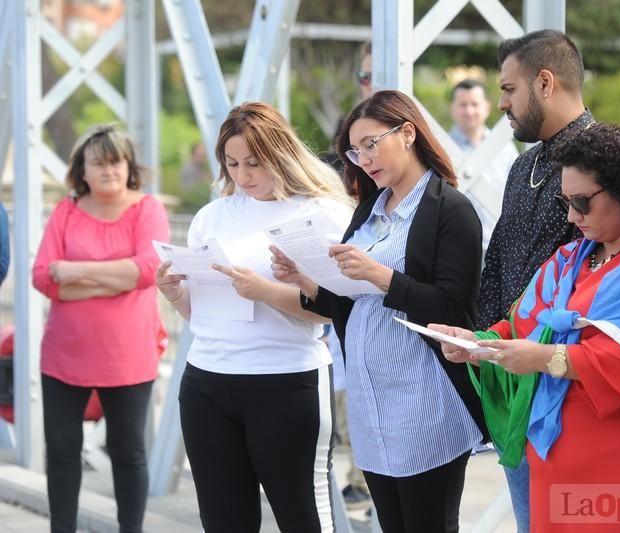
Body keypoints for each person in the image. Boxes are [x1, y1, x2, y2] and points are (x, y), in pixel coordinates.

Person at [432, 123, 620, 532]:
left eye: (582, 202)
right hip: (556, 463)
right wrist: (477, 344)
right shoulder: (567, 259)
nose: (573, 216)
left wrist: (543, 358)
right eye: (565, 202)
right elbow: (520, 329)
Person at [271, 89, 487, 533]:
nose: (363, 158)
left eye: (372, 143)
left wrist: (380, 276)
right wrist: (305, 278)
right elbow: (348, 300)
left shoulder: (451, 211)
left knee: (429, 524)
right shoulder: (370, 209)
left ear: (407, 133)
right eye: (355, 149)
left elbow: (452, 305)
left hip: (427, 400)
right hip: (372, 403)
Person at [156, 102, 353, 533]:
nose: (243, 175)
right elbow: (202, 315)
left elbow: (334, 311)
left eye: (254, 163)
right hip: (207, 383)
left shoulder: (322, 214)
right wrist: (177, 295)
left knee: (304, 518)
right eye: (232, 163)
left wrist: (266, 292)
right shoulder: (212, 217)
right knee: (223, 521)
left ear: (281, 154)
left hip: (287, 384)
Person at [477, 29, 592, 531]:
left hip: (571, 386)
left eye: (509, 89)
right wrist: (486, 346)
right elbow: (498, 262)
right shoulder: (524, 164)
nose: (501, 103)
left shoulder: (602, 160)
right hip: (514, 377)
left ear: (545, 83)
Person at [32, 124, 170, 533]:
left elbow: (148, 270)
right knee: (61, 452)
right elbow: (42, 277)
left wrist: (74, 273)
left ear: (128, 166)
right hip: (64, 354)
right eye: (99, 162)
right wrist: (118, 279)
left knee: (128, 451)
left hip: (128, 355)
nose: (109, 170)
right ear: (82, 171)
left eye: (116, 161)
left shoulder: (148, 209)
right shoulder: (65, 212)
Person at [448, 78, 519, 252]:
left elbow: (518, 191)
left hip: (501, 245)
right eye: (463, 105)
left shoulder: (505, 148)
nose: (469, 111)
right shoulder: (443, 148)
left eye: (474, 104)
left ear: (487, 107)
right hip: (456, 247)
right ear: (453, 109)